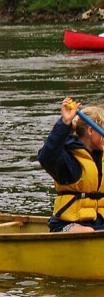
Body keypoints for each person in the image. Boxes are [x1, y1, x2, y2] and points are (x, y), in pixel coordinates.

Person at [37, 97, 104, 232]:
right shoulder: (68, 159)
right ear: (91, 131)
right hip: (67, 224)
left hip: (98, 222)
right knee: (87, 232)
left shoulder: (101, 157)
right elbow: (46, 157)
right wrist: (65, 122)